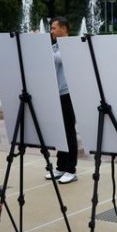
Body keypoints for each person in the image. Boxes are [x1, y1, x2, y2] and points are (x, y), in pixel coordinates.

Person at [49, 17, 78, 184]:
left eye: (54, 28)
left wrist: (37, 45)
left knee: (68, 130)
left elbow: (58, 59)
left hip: (68, 94)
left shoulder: (70, 46)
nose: (51, 31)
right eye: (51, 28)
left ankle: (71, 169)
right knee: (59, 130)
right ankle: (60, 166)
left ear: (64, 29)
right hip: (56, 93)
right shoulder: (54, 47)